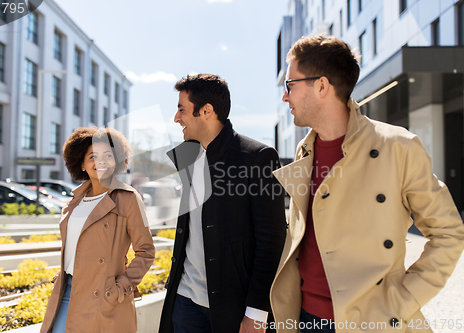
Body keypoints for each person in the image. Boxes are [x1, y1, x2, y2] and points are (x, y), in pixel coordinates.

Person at [270, 34, 464, 333]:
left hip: (370, 323)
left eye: (290, 85)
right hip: (305, 318)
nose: (285, 97)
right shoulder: (304, 150)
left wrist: (400, 303)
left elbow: (448, 232)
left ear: (321, 86)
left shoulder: (397, 146)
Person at [159, 74, 287, 333]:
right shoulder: (188, 156)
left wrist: (257, 312)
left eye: (181, 109)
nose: (176, 118)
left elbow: (272, 241)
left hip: (234, 309)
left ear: (206, 111)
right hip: (184, 303)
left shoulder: (257, 158)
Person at [40, 127, 155, 333]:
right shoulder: (75, 201)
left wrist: (121, 288)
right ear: (82, 164)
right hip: (67, 289)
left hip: (103, 295)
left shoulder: (128, 198)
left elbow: (146, 251)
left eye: (107, 155)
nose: (100, 161)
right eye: (93, 156)